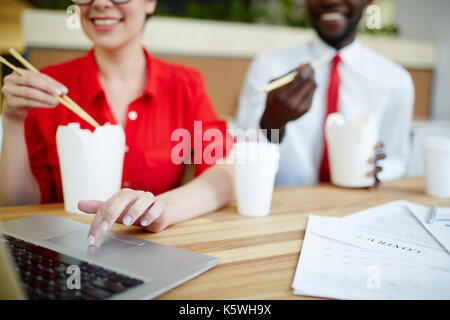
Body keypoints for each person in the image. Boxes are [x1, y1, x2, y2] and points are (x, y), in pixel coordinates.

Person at [0, 0, 234, 245]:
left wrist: (161, 210)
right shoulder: (47, 87)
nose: (100, 3)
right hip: (67, 250)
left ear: (150, 3)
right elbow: (18, 207)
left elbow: (225, 174)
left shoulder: (185, 84)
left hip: (152, 247)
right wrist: (13, 121)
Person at [237, 0, 414, 187]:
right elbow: (241, 155)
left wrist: (379, 171)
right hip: (284, 205)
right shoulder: (268, 67)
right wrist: (271, 125)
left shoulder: (395, 80)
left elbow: (398, 161)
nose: (330, 0)